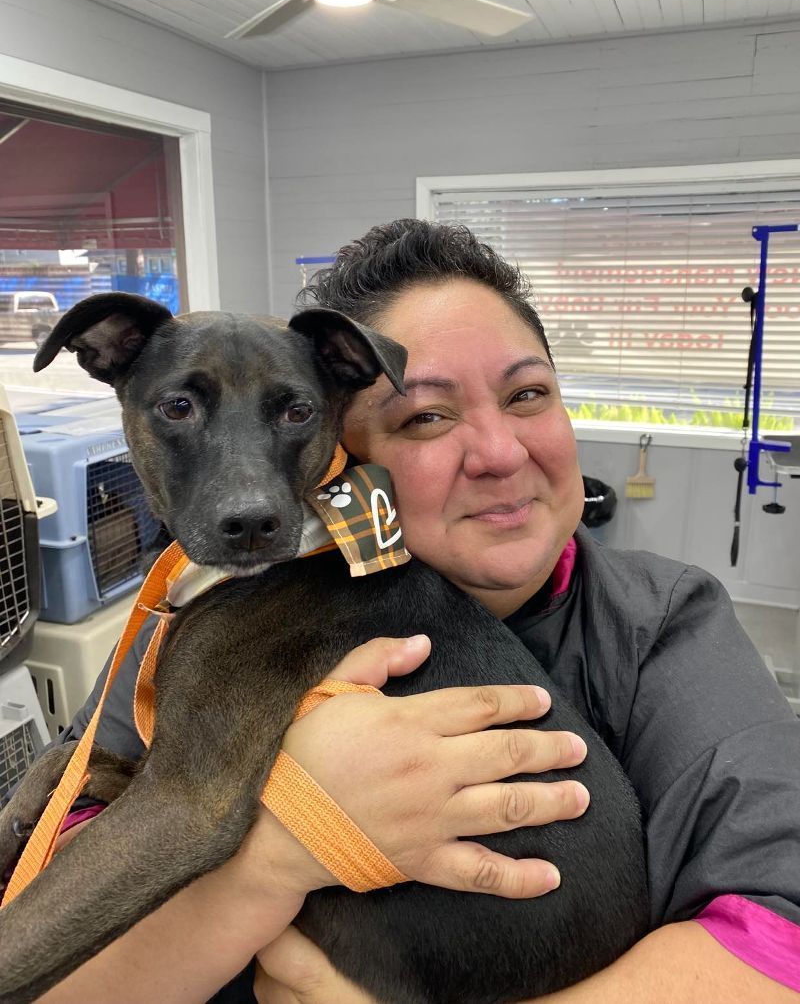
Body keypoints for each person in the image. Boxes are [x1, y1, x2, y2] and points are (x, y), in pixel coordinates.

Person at [12, 220, 800, 1003]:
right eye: (425, 415)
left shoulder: (662, 621)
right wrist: (283, 848)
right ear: (346, 450)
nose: (499, 451)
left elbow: (781, 937)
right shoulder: (202, 602)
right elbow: (75, 864)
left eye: (528, 394)